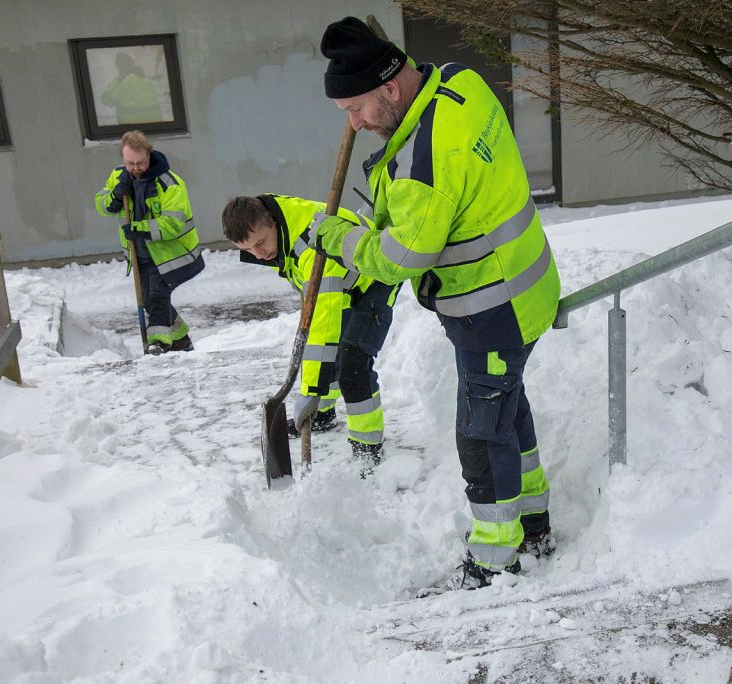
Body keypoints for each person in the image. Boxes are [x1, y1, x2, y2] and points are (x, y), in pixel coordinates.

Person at [312, 17, 561, 590]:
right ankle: (535, 521)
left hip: (492, 309)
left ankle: (495, 562)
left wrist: (339, 237)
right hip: (524, 284)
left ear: (391, 88)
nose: (353, 122)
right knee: (505, 411)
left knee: (480, 432)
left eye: (356, 108)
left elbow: (400, 259)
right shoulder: (458, 81)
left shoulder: (422, 164)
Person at [221, 195, 398, 465]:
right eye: (249, 250)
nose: (260, 254)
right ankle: (323, 415)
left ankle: (367, 446)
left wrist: (310, 391)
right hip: (345, 280)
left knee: (353, 362)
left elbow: (322, 324)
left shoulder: (312, 248)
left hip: (375, 277)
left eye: (261, 243)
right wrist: (312, 391)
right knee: (324, 353)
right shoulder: (281, 225)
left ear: (271, 222)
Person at [95, 130, 204, 354]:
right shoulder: (118, 177)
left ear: (149, 155)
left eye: (140, 162)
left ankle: (158, 344)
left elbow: (174, 224)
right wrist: (115, 197)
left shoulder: (169, 183)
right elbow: (101, 204)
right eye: (130, 163)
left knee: (157, 296)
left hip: (170, 253)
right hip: (140, 254)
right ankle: (181, 339)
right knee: (146, 297)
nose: (135, 168)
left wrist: (139, 229)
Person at [100, 53, 163, 125]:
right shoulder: (146, 80)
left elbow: (109, 101)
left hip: (133, 124)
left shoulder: (119, 82)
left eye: (117, 66)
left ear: (120, 66)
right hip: (155, 121)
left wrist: (104, 96)